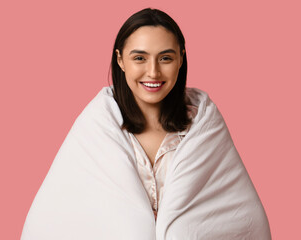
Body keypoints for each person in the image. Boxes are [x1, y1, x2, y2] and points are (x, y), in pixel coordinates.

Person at [21, 8, 271, 239]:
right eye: (139, 58)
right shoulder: (96, 127)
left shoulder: (204, 125)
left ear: (181, 59)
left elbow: (241, 217)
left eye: (165, 58)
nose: (153, 72)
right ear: (120, 60)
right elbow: (53, 218)